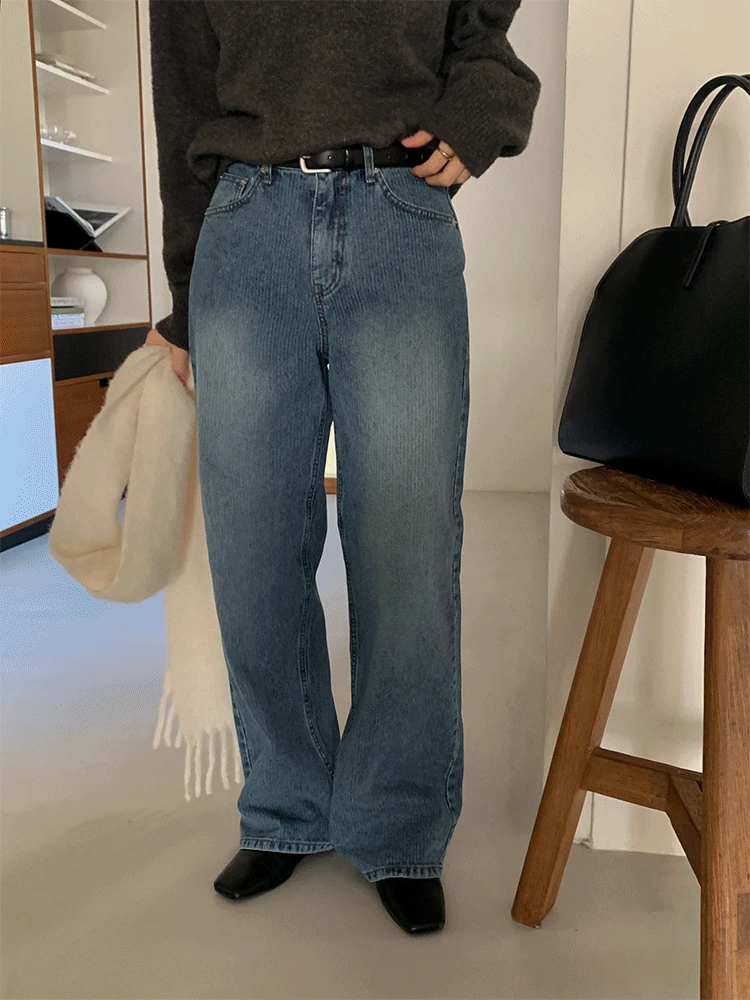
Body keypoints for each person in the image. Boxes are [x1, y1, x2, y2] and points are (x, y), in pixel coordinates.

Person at [146, 0, 540, 935]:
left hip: (399, 214)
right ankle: (287, 806)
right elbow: (183, 98)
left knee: (406, 548)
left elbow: (484, 43)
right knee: (253, 547)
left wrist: (481, 111)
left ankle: (397, 822)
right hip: (245, 227)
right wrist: (186, 295)